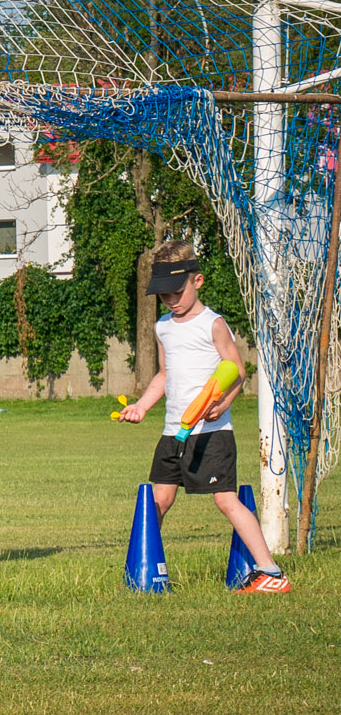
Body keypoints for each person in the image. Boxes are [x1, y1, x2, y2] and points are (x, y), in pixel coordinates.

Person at [117, 246, 290, 593]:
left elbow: (237, 372)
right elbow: (164, 375)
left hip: (211, 434)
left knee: (225, 500)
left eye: (177, 292)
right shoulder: (163, 327)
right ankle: (144, 574)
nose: (170, 300)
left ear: (198, 281)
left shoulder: (213, 324)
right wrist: (141, 406)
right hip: (173, 433)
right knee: (158, 501)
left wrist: (223, 403)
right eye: (163, 294)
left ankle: (271, 573)